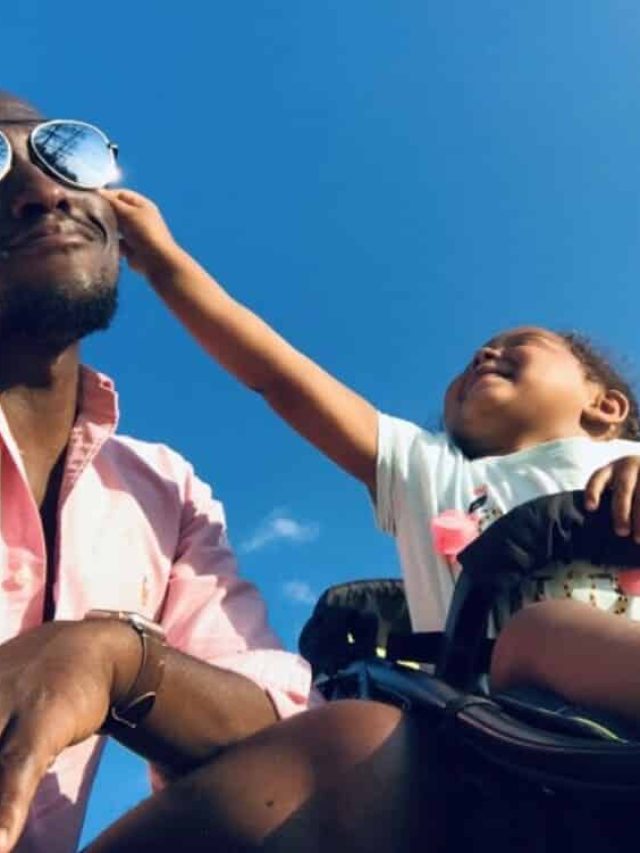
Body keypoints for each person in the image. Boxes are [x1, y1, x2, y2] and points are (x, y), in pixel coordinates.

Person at [0, 94, 440, 853]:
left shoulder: (162, 488)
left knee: (359, 751)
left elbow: (271, 716)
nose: (44, 190)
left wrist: (111, 659)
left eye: (65, 153)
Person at [101, 186, 640, 732]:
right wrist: (164, 262)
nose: (484, 354)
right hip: (502, 730)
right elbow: (279, 376)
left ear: (605, 406)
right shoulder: (429, 471)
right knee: (535, 635)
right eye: (475, 357)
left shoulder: (625, 457)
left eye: (518, 343)